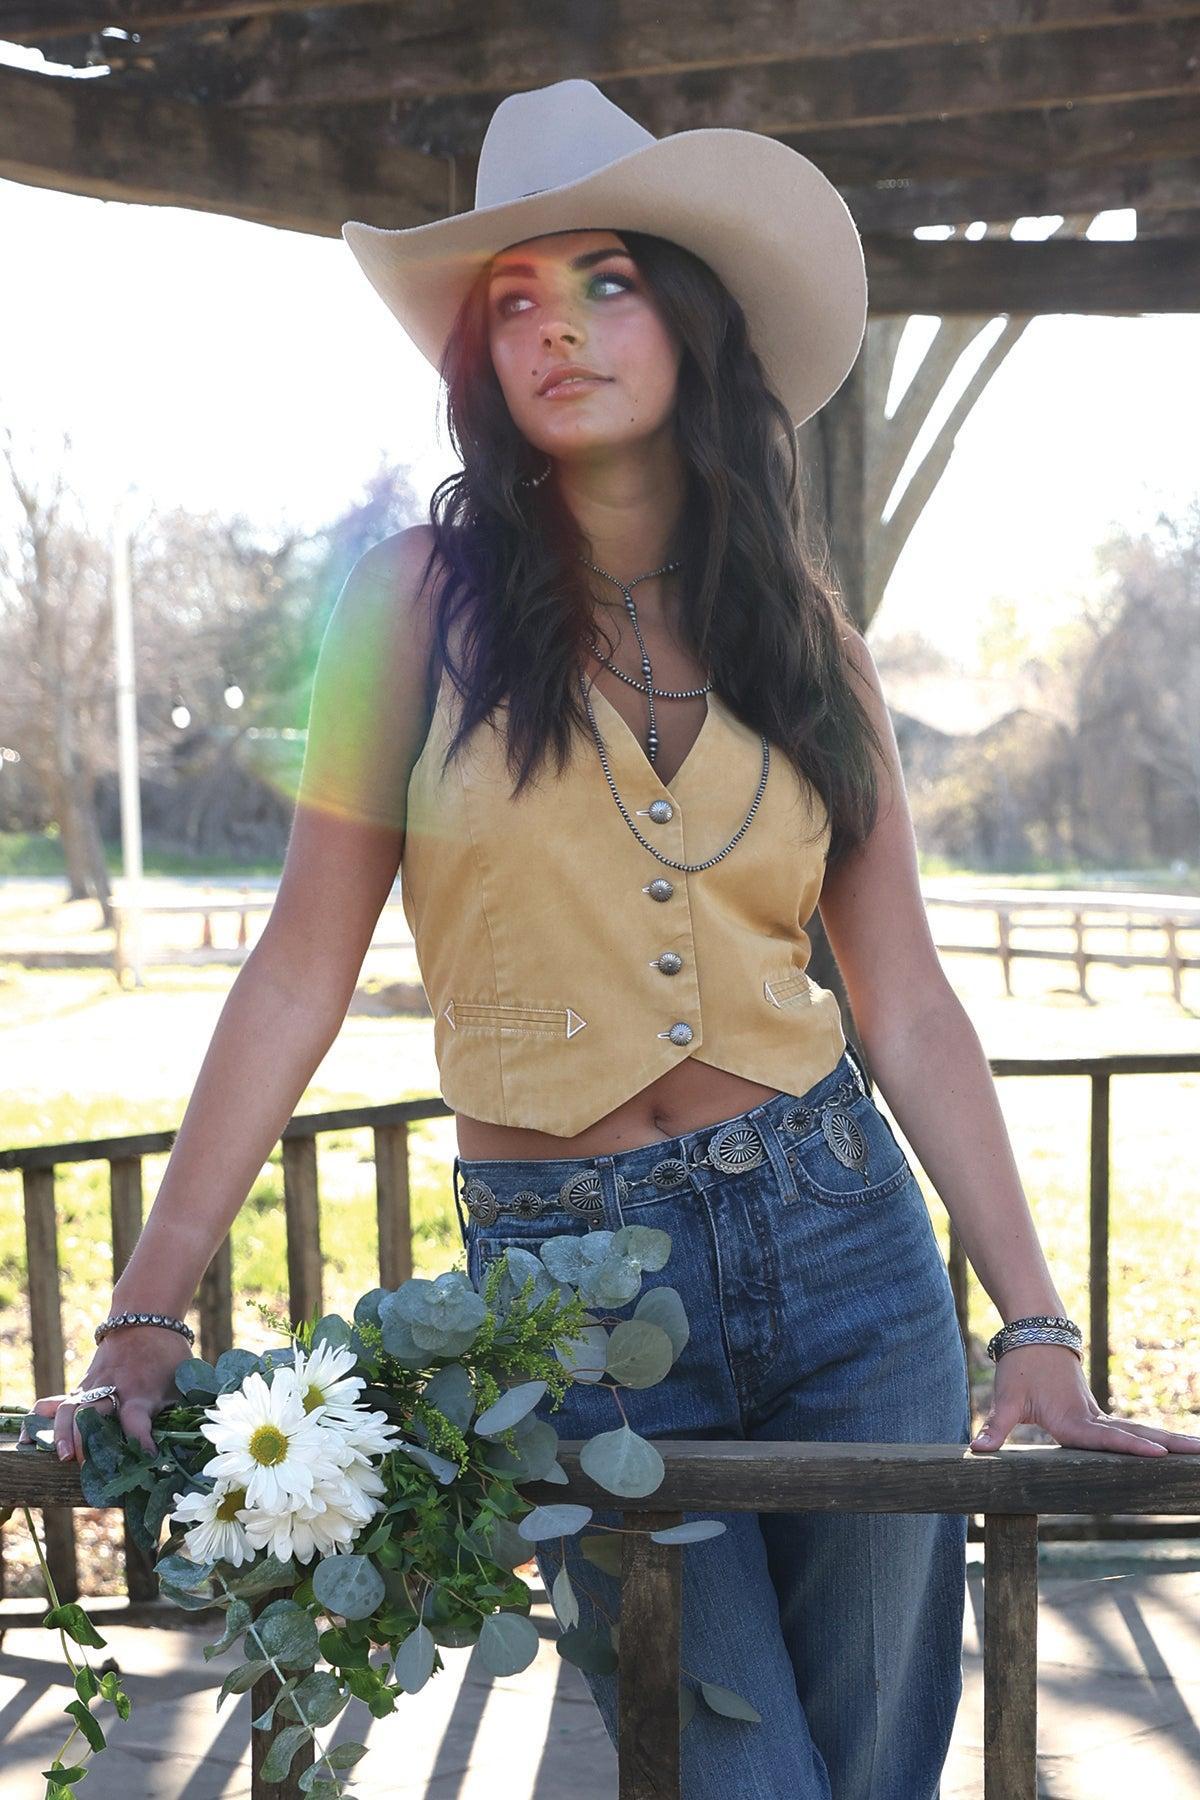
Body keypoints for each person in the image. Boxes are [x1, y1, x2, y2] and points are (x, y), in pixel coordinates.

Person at [27, 77, 1200, 1800]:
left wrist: (1034, 1329)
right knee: (736, 1778)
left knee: (874, 1776)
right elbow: (298, 961)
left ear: (693, 320)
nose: (555, 330)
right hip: (562, 1301)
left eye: (606, 282)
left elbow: (911, 1003)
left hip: (847, 1258)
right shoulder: (412, 607)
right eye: (513, 300)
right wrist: (149, 1307)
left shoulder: (810, 639)